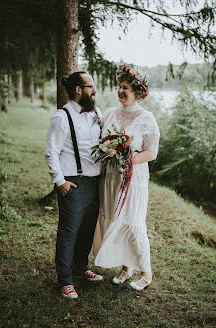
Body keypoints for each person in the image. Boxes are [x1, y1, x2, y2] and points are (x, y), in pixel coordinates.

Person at [94, 66, 160, 291]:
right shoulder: (110, 113)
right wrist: (108, 149)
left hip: (133, 180)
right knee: (114, 219)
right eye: (119, 87)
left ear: (138, 93)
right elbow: (101, 142)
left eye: (126, 88)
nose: (121, 91)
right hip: (110, 178)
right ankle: (126, 268)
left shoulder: (146, 118)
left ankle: (146, 273)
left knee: (133, 222)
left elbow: (151, 152)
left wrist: (127, 158)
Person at [45, 71, 103, 299]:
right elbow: (51, 153)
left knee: (87, 229)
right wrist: (60, 182)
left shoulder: (96, 113)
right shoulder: (61, 117)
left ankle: (80, 268)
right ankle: (65, 280)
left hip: (94, 181)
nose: (94, 90)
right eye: (90, 86)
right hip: (73, 183)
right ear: (79, 89)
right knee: (68, 232)